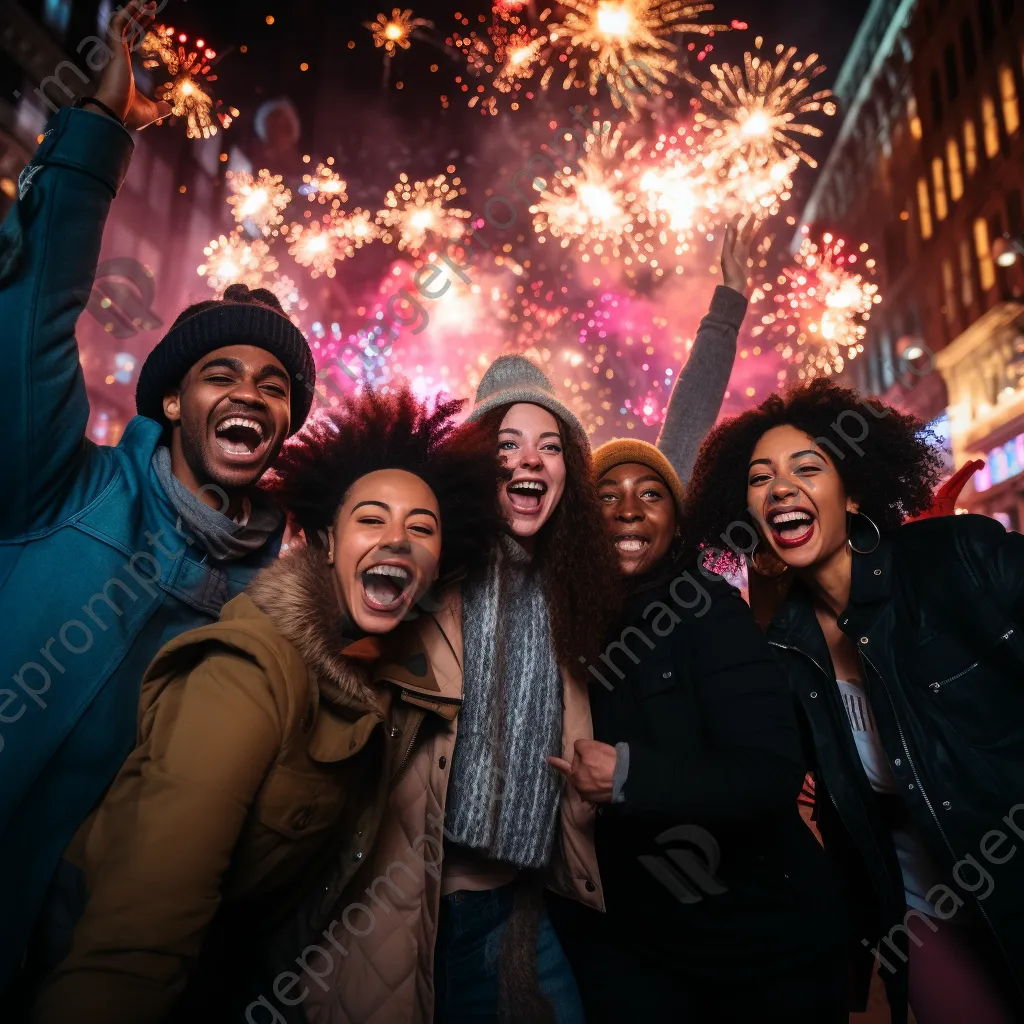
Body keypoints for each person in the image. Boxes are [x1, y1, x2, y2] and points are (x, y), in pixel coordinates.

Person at [295, 226, 753, 1024]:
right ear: (476, 458)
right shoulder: (433, 566)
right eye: (508, 442)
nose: (530, 460)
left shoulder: (583, 579)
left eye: (550, 446)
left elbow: (669, 459)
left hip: (525, 911)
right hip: (406, 909)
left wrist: (725, 313)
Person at [0, 2, 316, 984]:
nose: (251, 395)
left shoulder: (277, 608)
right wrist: (98, 138)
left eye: (275, 387)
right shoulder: (64, 489)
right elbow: (29, 322)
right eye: (224, 374)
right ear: (174, 397)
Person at [31, 388, 505, 1024]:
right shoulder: (251, 672)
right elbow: (137, 935)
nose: (397, 540)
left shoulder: (384, 681)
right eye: (372, 519)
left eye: (421, 528)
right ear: (329, 543)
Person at [683, 379, 1024, 1024]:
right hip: (923, 917)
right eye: (761, 479)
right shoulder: (783, 649)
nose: (781, 487)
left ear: (855, 489)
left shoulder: (958, 559)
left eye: (808, 468)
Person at [546, 438, 849, 1022]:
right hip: (649, 949)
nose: (628, 508)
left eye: (650, 494)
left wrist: (632, 776)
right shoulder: (574, 628)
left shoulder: (709, 612)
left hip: (761, 949)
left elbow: (770, 772)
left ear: (678, 525)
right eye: (605, 496)